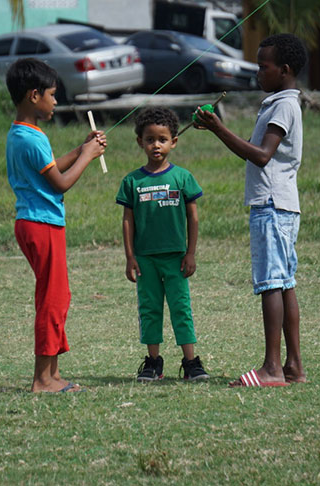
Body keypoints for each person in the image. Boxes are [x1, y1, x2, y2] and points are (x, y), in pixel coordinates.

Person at [193, 33, 307, 387]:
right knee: (285, 284)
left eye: (263, 66)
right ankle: (293, 367)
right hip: (281, 204)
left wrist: (218, 128)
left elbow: (260, 156)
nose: (257, 72)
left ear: (284, 70)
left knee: (271, 284)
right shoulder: (277, 103)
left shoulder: (285, 106)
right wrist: (216, 129)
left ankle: (271, 369)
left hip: (272, 205)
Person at [5, 58, 106, 393]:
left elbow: (48, 170)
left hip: (38, 223)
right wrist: (88, 157)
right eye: (52, 95)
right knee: (52, 298)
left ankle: (53, 373)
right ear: (34, 95)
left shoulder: (25, 133)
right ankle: (42, 379)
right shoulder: (30, 138)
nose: (55, 101)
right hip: (40, 224)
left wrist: (81, 149)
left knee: (57, 295)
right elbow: (60, 183)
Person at [116, 107, 209, 382]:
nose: (156, 145)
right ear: (140, 142)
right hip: (145, 259)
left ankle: (191, 363)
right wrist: (130, 257)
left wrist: (190, 252)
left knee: (181, 308)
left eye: (162, 139)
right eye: (149, 139)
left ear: (174, 141)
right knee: (149, 309)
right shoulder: (132, 181)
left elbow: (193, 217)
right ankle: (153, 362)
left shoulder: (182, 177)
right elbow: (127, 220)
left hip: (176, 258)